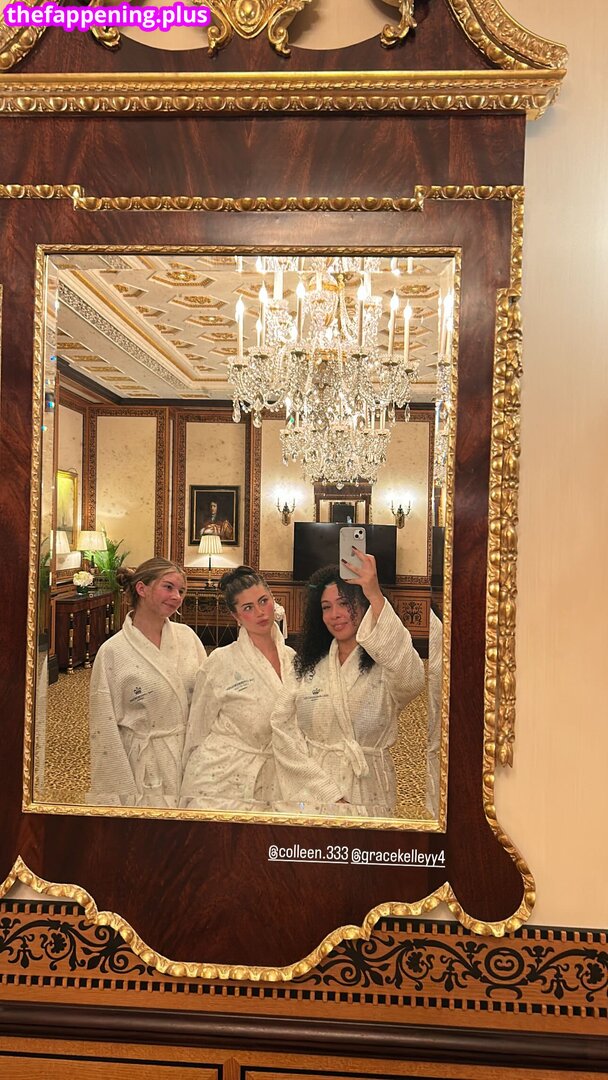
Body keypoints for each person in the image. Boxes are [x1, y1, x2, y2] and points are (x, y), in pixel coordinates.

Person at [271, 551, 425, 817]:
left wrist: (375, 594)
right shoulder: (306, 665)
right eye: (326, 607)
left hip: (368, 789)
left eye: (344, 603)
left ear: (364, 605)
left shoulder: (386, 665)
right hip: (313, 790)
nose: (335, 615)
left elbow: (412, 680)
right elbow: (281, 727)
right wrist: (326, 791)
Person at [87, 558, 207, 807]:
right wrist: (115, 795)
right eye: (168, 587)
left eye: (181, 590)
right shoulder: (113, 652)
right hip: (144, 765)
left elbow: (207, 701)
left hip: (190, 758)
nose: (177, 597)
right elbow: (103, 728)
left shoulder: (188, 638)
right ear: (142, 589)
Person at [180, 566, 296, 810]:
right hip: (220, 776)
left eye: (263, 601)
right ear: (236, 616)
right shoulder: (220, 662)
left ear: (273, 599)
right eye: (248, 608)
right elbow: (197, 729)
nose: (260, 612)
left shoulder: (293, 660)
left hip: (278, 775)